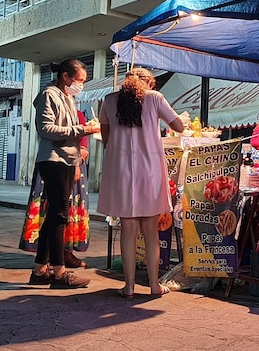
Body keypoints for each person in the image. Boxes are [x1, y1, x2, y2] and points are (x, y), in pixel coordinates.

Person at [97, 68, 184, 299]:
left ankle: (129, 287)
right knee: (151, 232)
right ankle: (154, 285)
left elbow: (105, 137)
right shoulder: (154, 98)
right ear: (148, 83)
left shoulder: (109, 100)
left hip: (121, 170)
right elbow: (179, 127)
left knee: (128, 230)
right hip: (150, 171)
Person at [29, 59, 100, 289]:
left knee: (56, 215)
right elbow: (46, 129)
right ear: (65, 76)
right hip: (53, 160)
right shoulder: (48, 95)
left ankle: (40, 269)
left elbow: (71, 129)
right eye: (79, 80)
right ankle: (59, 272)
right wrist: (83, 129)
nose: (80, 85)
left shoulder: (68, 97)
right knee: (59, 215)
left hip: (68, 160)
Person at [20, 109, 91, 269]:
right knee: (52, 210)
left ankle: (65, 253)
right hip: (54, 165)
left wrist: (79, 158)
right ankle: (49, 259)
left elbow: (84, 143)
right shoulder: (48, 110)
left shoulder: (78, 114)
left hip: (73, 166)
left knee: (68, 210)